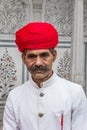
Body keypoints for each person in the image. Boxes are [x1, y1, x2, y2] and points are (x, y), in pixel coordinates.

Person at [3, 22, 87, 130]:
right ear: (23, 58)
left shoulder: (75, 92)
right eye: (31, 56)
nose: (38, 63)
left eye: (44, 55)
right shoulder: (14, 97)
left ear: (54, 56)